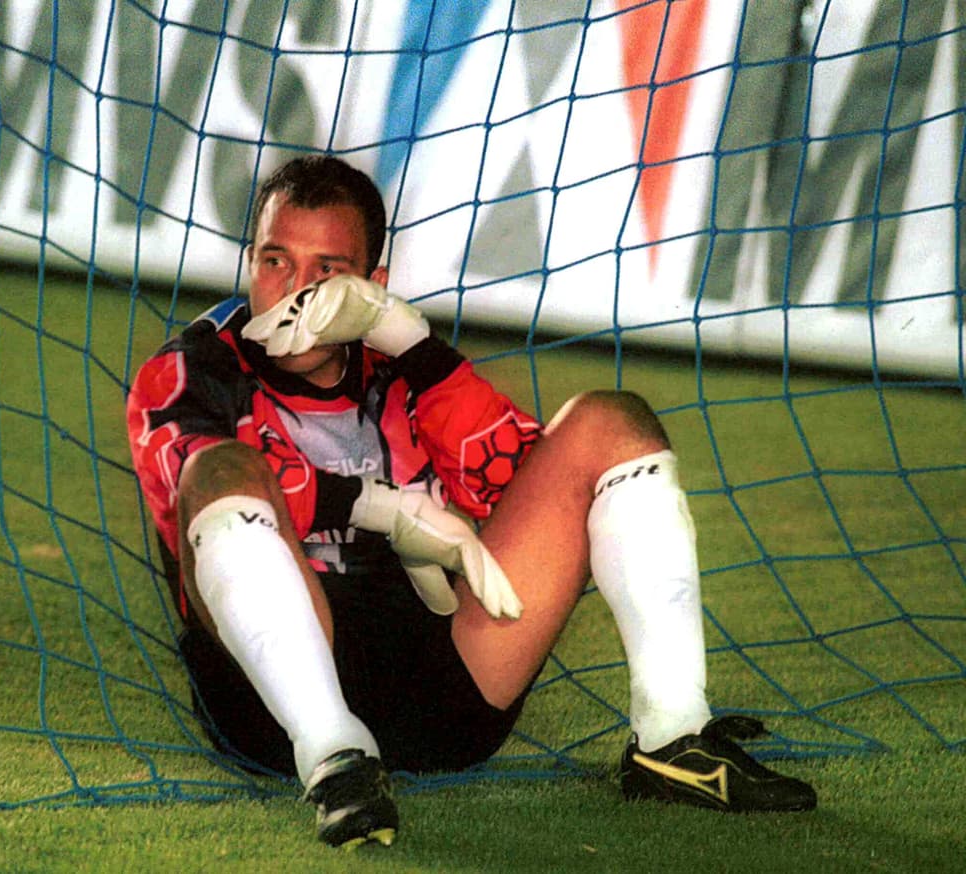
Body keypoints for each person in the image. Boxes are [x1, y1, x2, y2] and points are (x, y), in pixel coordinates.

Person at [126, 155, 816, 848]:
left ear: (373, 284)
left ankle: (673, 738)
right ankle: (335, 760)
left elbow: (516, 470)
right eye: (277, 261)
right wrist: (376, 506)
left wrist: (419, 350)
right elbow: (194, 478)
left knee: (612, 424)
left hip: (442, 696)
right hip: (267, 711)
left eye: (328, 271)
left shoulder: (398, 366)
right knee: (225, 472)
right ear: (250, 263)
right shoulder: (193, 367)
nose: (295, 291)